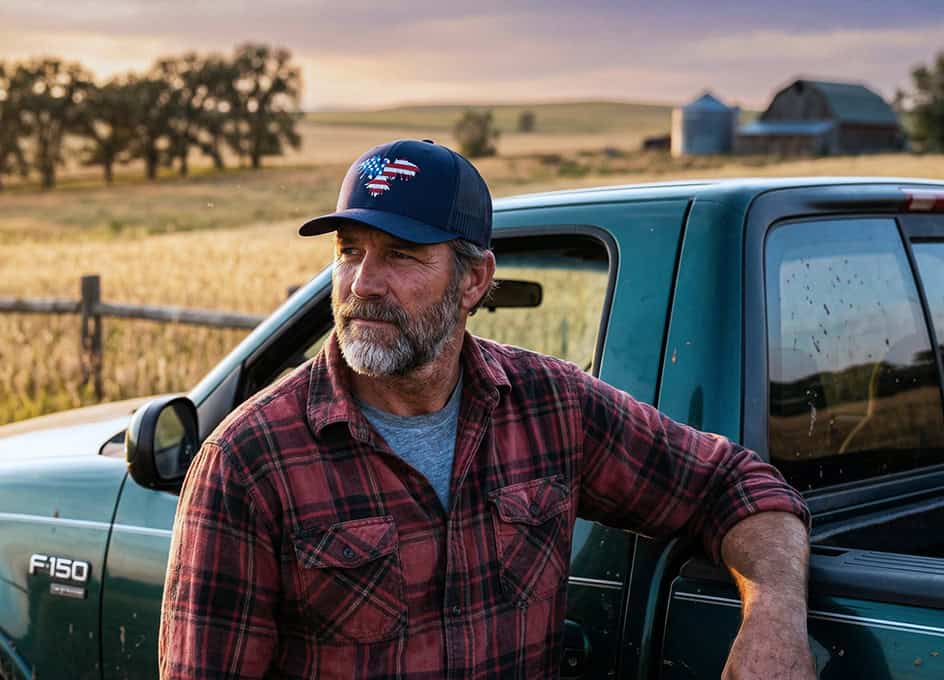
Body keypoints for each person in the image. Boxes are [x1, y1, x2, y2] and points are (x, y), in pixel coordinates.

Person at [159, 139, 814, 679]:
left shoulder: (550, 408)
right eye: (349, 251)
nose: (362, 284)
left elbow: (730, 482)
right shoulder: (248, 463)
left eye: (401, 255)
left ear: (474, 280)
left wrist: (775, 620)